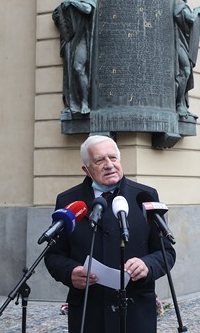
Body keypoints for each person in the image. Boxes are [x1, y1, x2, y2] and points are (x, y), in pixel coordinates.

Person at [44, 135, 176, 333]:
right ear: (86, 169)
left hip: (136, 313)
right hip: (89, 313)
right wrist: (70, 272)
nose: (109, 165)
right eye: (99, 160)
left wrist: (147, 265)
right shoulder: (69, 201)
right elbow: (54, 255)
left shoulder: (145, 196)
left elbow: (166, 252)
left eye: (113, 158)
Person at [52, 0, 97, 117]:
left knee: (78, 68)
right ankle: (73, 104)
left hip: (82, 39)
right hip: (70, 41)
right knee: (70, 73)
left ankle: (84, 102)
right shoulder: (70, 0)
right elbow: (57, 16)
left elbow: (88, 9)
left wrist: (72, 4)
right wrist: (59, 15)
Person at [173, 0, 200, 118]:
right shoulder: (179, 4)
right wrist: (197, 10)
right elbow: (191, 19)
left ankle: (183, 105)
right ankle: (179, 104)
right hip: (177, 44)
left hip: (183, 43)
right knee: (185, 71)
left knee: (185, 71)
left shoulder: (181, 5)